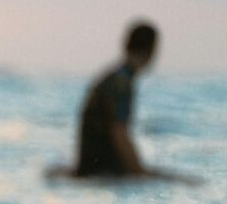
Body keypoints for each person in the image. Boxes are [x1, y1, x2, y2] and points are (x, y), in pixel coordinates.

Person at [71, 21, 195, 183]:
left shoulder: (112, 77)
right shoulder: (122, 82)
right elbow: (119, 132)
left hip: (90, 167)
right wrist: (140, 173)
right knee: (186, 183)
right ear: (151, 51)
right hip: (102, 170)